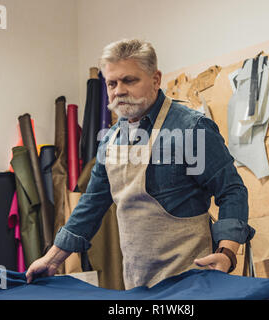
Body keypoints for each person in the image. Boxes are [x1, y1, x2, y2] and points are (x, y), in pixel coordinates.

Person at [26, 39, 255, 289]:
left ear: (156, 79)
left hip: (194, 282)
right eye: (112, 83)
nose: (118, 91)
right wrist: (51, 260)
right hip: (138, 285)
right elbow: (91, 205)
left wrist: (227, 253)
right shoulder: (110, 141)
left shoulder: (191, 129)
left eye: (129, 80)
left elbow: (231, 190)